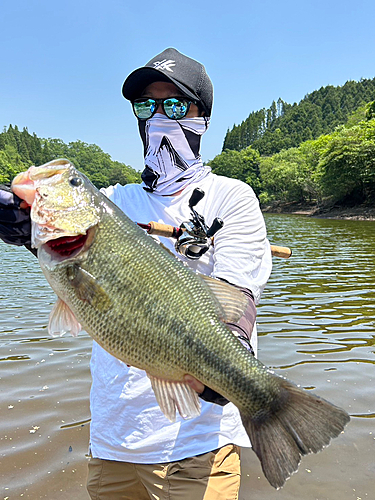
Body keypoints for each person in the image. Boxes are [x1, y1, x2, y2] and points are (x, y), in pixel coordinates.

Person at [0, 48, 272, 500]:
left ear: (202, 116)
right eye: (146, 106)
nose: (158, 116)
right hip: (113, 442)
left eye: (175, 104)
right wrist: (24, 229)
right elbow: (69, 260)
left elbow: (238, 299)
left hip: (198, 446)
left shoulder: (232, 198)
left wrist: (230, 379)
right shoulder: (113, 202)